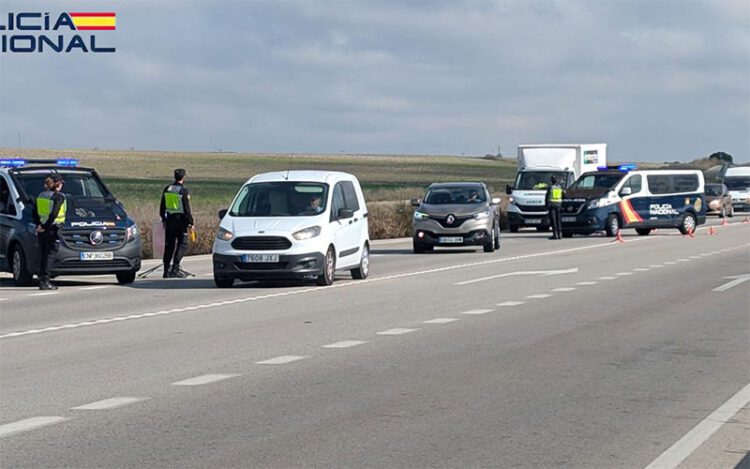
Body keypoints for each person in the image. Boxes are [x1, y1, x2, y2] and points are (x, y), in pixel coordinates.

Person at [32, 174, 67, 290]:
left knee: (44, 255)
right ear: (57, 185)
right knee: (50, 255)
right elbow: (54, 214)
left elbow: (34, 212)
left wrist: (39, 225)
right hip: (53, 229)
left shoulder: (41, 195)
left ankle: (42, 279)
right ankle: (45, 281)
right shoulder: (59, 197)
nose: (62, 186)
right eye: (61, 183)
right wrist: (46, 226)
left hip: (42, 229)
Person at [160, 168, 193, 278]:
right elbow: (186, 208)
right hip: (181, 221)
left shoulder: (167, 189)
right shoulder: (183, 191)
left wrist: (163, 219)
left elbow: (162, 206)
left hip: (169, 221)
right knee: (182, 244)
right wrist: (190, 222)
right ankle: (175, 268)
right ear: (183, 178)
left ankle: (166, 270)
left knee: (169, 245)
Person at [545, 175, 564, 240]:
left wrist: (546, 205)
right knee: (558, 220)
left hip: (552, 205)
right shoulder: (560, 187)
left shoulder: (550, 187)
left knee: (553, 220)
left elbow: (547, 197)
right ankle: (560, 234)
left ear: (551, 180)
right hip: (558, 205)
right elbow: (563, 196)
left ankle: (555, 234)